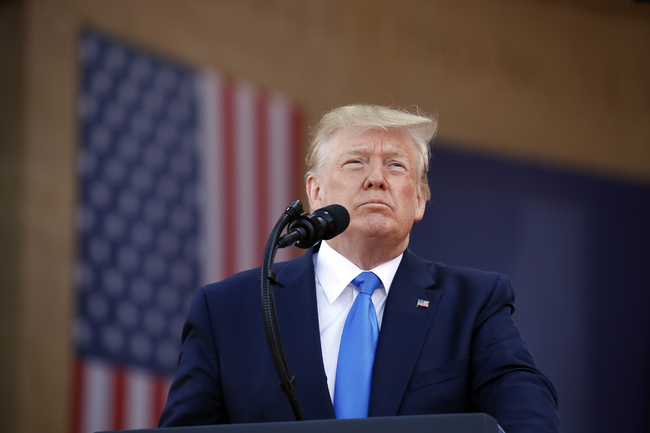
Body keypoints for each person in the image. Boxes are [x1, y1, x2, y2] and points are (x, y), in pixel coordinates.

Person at [159, 104, 562, 433]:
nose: (376, 179)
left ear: (420, 199)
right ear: (315, 193)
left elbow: (527, 409)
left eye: (396, 166)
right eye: (355, 163)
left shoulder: (473, 304)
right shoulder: (229, 309)